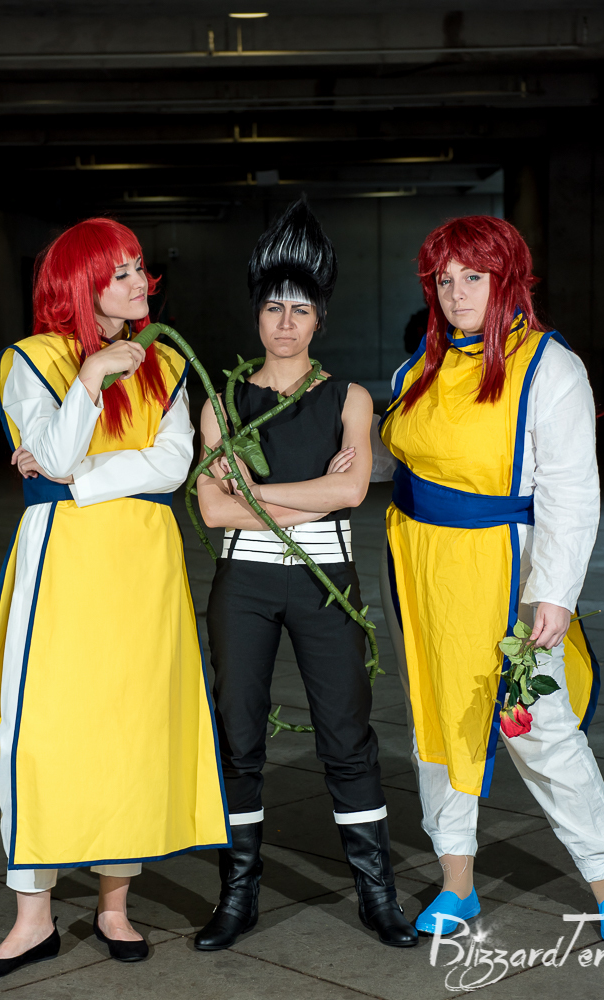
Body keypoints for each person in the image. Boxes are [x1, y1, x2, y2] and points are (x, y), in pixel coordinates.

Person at [0, 218, 229, 979]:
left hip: (143, 560)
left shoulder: (166, 361)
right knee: (43, 727)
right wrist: (92, 377)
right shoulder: (28, 360)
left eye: (139, 268)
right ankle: (32, 918)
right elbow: (57, 449)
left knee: (130, 727)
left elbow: (171, 465)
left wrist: (82, 478)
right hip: (62, 559)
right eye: (120, 272)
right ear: (80, 284)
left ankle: (113, 907)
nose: (140, 283)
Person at [372, 215, 604, 943]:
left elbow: (570, 491)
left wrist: (552, 592)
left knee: (537, 726)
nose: (456, 293)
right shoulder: (421, 366)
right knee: (436, 719)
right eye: (444, 280)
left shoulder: (550, 367)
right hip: (419, 569)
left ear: (508, 280)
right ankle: (456, 882)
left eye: (473, 277)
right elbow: (400, 458)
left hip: (504, 571)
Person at [194, 199, 418, 952]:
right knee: (237, 735)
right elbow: (212, 512)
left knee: (347, 735)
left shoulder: (349, 398)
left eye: (299, 308)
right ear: (256, 314)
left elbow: (351, 493)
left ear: (320, 317)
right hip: (244, 587)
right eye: (272, 307)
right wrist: (311, 492)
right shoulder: (222, 402)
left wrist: (255, 493)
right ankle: (237, 896)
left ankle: (378, 895)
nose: (284, 322)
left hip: (327, 585)